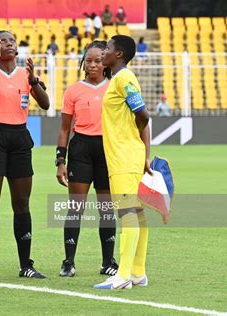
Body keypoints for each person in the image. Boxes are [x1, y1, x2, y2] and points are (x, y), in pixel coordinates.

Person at [0, 30, 50, 280]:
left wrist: (35, 79)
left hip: (19, 138)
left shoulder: (24, 74)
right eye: (2, 41)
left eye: (12, 40)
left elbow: (46, 104)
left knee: (21, 203)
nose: (8, 43)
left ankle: (25, 265)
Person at [56, 41, 118, 278]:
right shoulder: (73, 90)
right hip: (81, 149)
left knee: (106, 209)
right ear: (83, 62)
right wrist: (60, 160)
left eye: (98, 60)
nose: (93, 64)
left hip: (106, 150)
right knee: (75, 208)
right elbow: (64, 128)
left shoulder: (114, 87)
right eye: (89, 60)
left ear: (105, 63)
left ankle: (108, 262)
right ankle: (69, 262)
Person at [94, 35, 151, 289]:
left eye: (107, 48)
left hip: (123, 157)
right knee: (137, 215)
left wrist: (131, 141)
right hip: (127, 155)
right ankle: (138, 272)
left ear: (118, 54)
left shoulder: (124, 78)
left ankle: (123, 275)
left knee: (127, 214)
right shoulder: (118, 79)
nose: (103, 51)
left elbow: (143, 114)